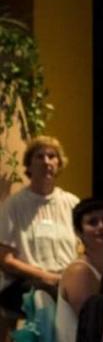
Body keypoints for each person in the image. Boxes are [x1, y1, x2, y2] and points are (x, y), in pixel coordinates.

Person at [0, 136, 78, 326]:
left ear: (59, 164)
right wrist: (47, 276)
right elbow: (5, 260)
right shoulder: (14, 205)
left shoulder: (72, 203)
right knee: (46, 297)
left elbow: (83, 250)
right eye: (39, 156)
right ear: (28, 165)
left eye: (52, 156)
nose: (46, 162)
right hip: (25, 283)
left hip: (65, 281)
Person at [55, 198, 103, 342]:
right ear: (78, 232)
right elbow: (93, 330)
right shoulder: (79, 271)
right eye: (93, 222)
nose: (101, 226)